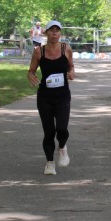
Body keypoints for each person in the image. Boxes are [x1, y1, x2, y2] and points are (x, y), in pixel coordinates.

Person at [27, 20, 75, 175]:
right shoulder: (39, 51)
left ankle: (62, 147)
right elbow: (31, 70)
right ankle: (49, 163)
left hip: (62, 96)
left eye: (57, 30)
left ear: (60, 33)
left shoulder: (66, 48)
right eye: (52, 30)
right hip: (45, 97)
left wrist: (71, 72)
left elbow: (71, 66)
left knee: (62, 128)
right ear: (46, 33)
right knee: (48, 132)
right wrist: (31, 76)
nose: (55, 33)